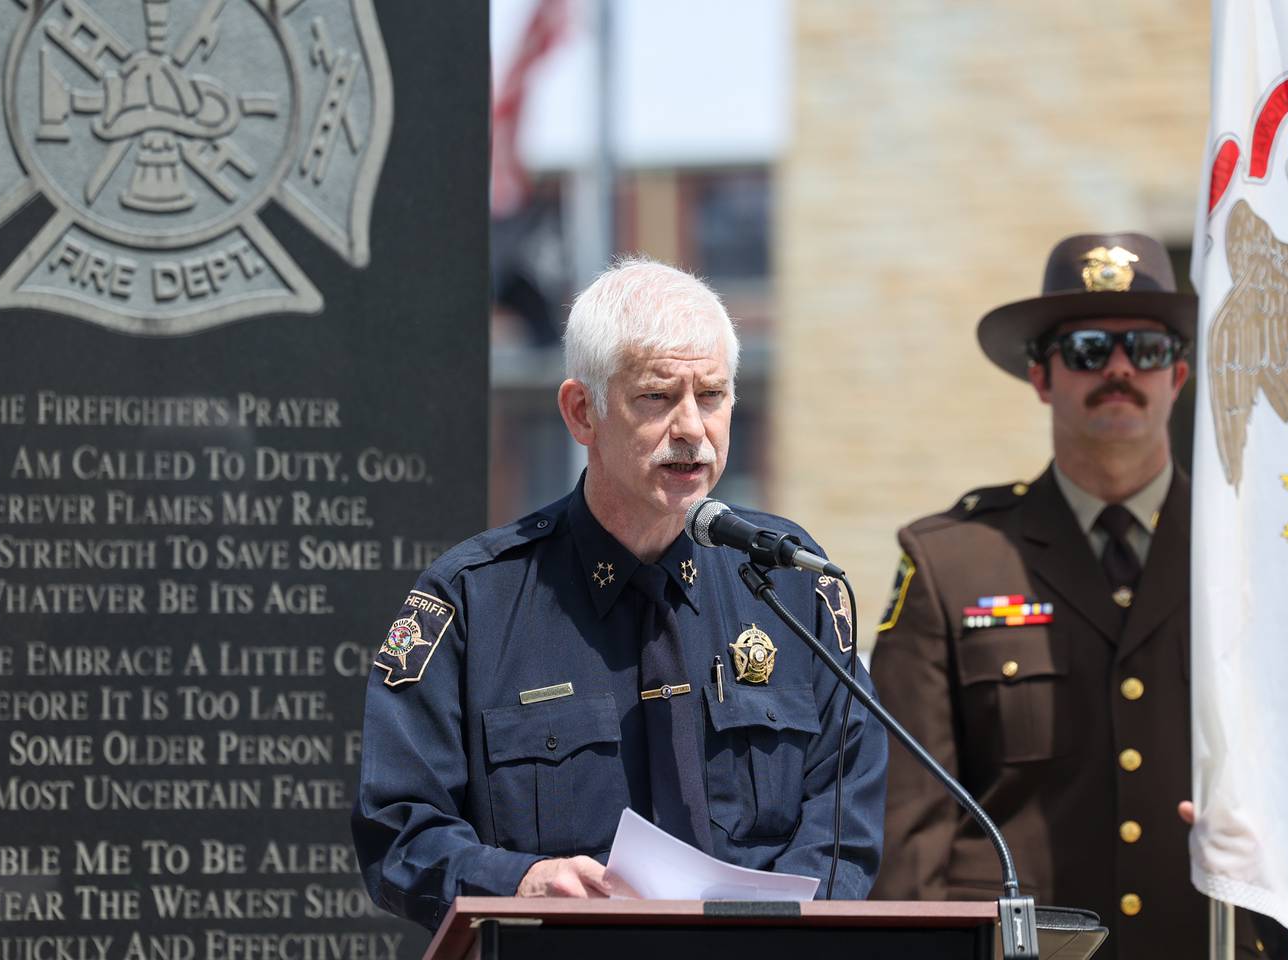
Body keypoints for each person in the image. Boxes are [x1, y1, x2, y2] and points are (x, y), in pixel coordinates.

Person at [352, 258, 887, 931]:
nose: (692, 428)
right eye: (658, 398)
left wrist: (780, 932)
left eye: (713, 395)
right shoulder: (472, 602)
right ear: (583, 411)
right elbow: (398, 829)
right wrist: (519, 882)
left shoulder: (790, 584)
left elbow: (845, 812)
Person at [869, 233, 1283, 958]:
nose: (1119, 368)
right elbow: (911, 822)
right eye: (1089, 348)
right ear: (1042, 376)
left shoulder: (1255, 555)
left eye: (1146, 350)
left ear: (1180, 374)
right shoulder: (951, 562)